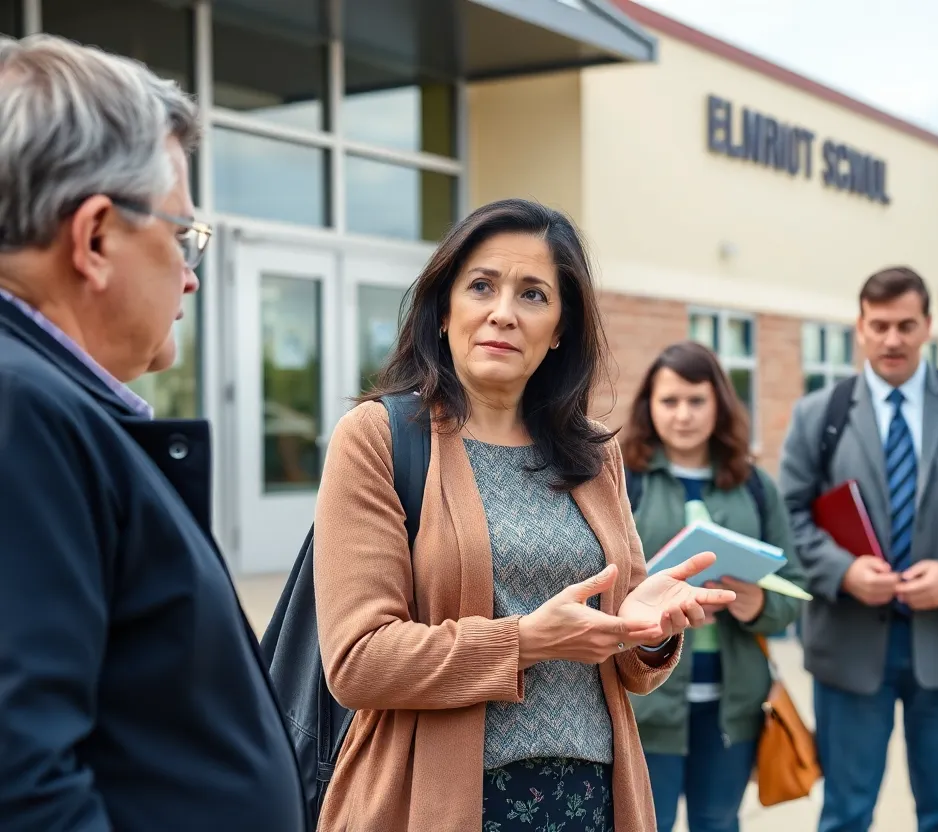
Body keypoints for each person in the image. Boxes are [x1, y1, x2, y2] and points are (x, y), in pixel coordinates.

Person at [311, 198, 734, 832]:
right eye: (481, 286)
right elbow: (358, 661)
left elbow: (625, 664)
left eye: (534, 295)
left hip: (595, 798)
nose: (503, 313)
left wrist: (647, 631)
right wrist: (524, 642)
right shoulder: (376, 437)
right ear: (445, 308)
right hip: (443, 801)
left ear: (560, 326)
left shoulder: (593, 452)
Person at [0, 34, 306, 832]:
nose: (192, 273)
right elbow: (22, 783)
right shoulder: (20, 413)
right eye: (183, 236)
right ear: (95, 237)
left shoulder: (45, 406)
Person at [779, 266, 938, 832]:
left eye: (905, 325)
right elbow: (789, 517)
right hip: (849, 646)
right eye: (880, 325)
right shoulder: (817, 415)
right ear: (860, 328)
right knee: (845, 815)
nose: (892, 339)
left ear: (928, 326)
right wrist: (844, 571)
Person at [619, 341, 805, 832]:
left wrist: (761, 603)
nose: (683, 415)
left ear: (720, 404)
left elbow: (797, 588)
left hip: (733, 705)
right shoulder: (618, 481)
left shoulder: (756, 486)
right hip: (646, 705)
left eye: (696, 401)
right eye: (670, 401)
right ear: (649, 407)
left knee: (718, 823)